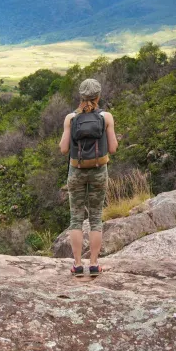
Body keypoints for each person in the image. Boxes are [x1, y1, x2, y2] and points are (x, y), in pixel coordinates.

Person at [59, 79, 118, 277]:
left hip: (75, 171)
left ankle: (77, 265)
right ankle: (93, 264)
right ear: (98, 96)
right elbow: (113, 148)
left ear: (81, 97)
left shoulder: (71, 118)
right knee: (95, 218)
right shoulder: (106, 117)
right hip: (99, 171)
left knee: (75, 219)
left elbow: (63, 148)